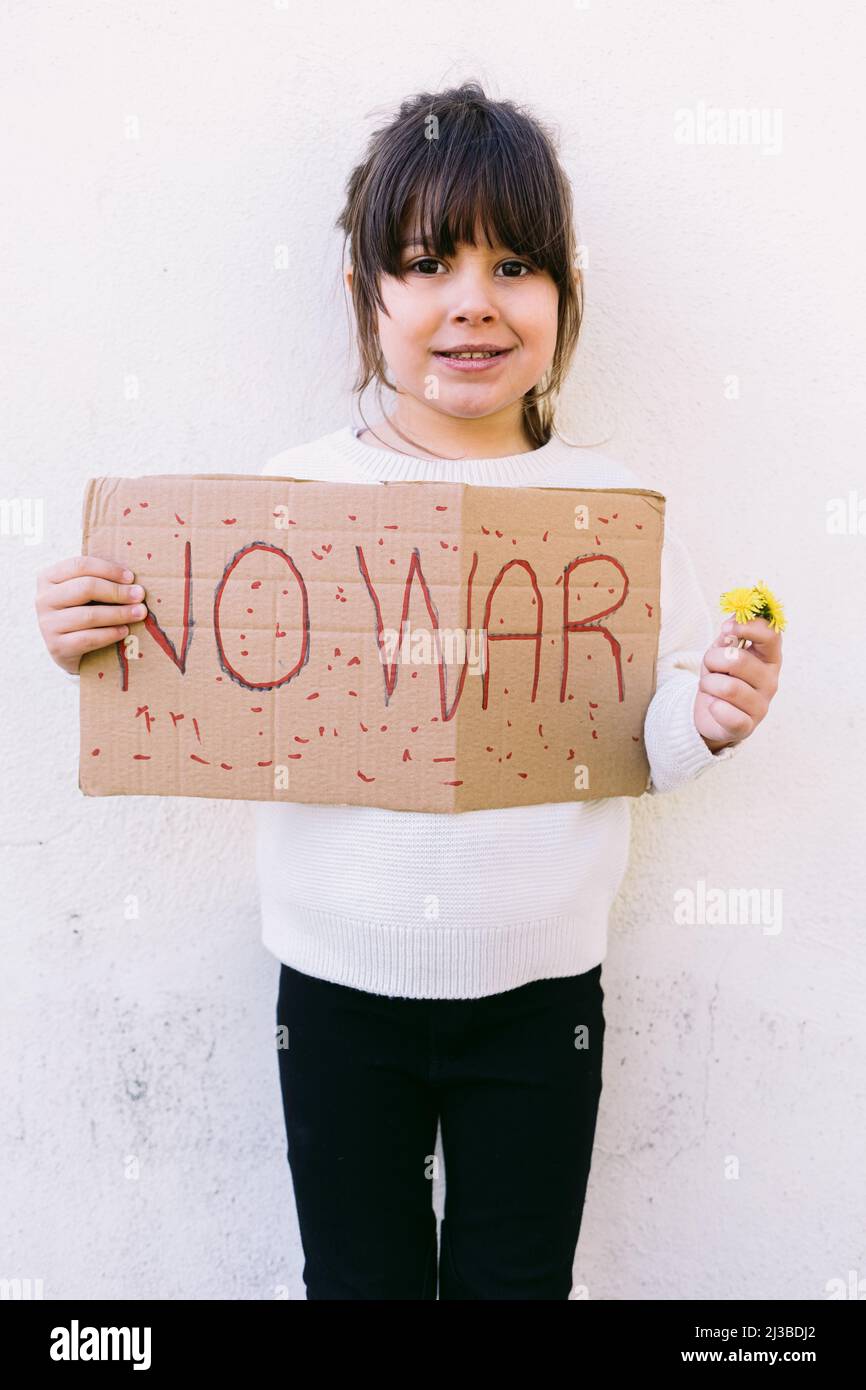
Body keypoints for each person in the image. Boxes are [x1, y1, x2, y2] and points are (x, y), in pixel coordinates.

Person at [35, 81, 782, 1300]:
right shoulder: (291, 494)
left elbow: (648, 717)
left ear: (564, 298)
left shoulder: (612, 506)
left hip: (542, 1001)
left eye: (516, 266)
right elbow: (203, 661)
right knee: (355, 1283)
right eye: (428, 263)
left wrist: (705, 719)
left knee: (516, 1283)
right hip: (333, 997)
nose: (472, 303)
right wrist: (97, 637)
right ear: (361, 298)